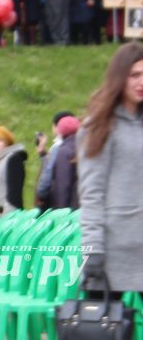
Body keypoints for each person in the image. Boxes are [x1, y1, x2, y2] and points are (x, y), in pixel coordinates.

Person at [78, 43, 143, 294]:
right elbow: (91, 193)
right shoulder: (99, 126)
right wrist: (92, 249)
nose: (141, 82)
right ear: (120, 77)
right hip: (114, 249)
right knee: (103, 317)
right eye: (135, 75)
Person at [0, 126, 26, 216]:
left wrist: (9, 215)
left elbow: (14, 192)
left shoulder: (13, 159)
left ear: (7, 143)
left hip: (9, 214)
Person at [49, 115, 80, 209]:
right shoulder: (85, 147)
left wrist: (61, 208)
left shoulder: (64, 151)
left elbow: (63, 182)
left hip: (69, 206)